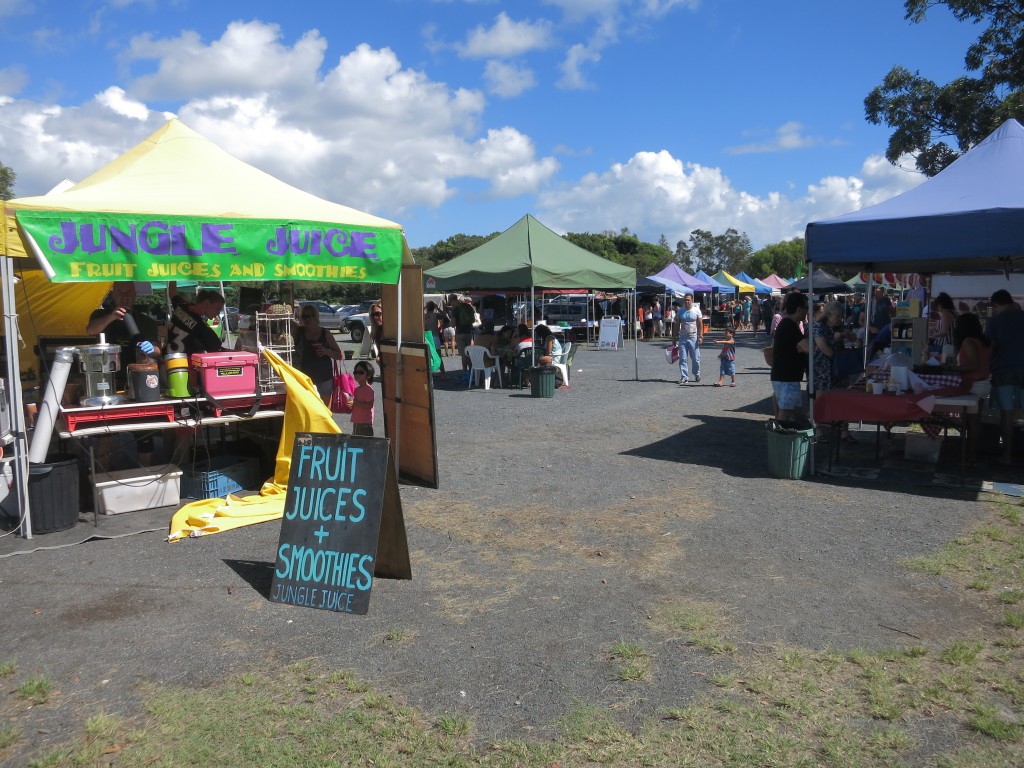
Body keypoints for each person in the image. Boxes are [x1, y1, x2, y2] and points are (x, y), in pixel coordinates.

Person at [85, 281, 162, 465]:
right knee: (106, 434)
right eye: (120, 293)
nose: (124, 296)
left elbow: (159, 351)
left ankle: (145, 476)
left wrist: (152, 349)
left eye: (128, 293)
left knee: (144, 434)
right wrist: (111, 317)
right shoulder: (100, 315)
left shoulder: (145, 321)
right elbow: (90, 330)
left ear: (135, 294)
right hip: (108, 382)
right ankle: (102, 480)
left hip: (137, 382)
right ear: (113, 294)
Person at [984, 289, 1024, 466]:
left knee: (1006, 415)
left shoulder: (995, 321)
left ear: (996, 305)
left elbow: (990, 349)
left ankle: (1007, 456)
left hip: (1003, 372)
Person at [812, 301, 853, 441]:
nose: (840, 319)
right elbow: (822, 347)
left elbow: (854, 340)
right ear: (828, 315)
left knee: (842, 399)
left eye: (841, 316)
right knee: (821, 400)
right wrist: (836, 352)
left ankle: (844, 431)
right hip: (823, 368)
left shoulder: (840, 326)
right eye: (838, 316)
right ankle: (819, 431)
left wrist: (847, 336)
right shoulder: (818, 326)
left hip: (839, 368)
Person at [770, 291, 809, 422]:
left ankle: (801, 434)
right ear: (799, 309)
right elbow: (807, 348)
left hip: (787, 376)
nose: (806, 312)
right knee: (784, 414)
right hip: (786, 377)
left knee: (796, 413)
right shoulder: (789, 325)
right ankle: (779, 440)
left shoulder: (790, 325)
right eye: (806, 308)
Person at [293, 304, 342, 405]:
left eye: (311, 316)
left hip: (324, 378)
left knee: (324, 410)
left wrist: (326, 352)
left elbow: (339, 355)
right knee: (308, 408)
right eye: (305, 316)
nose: (308, 319)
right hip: (304, 379)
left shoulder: (325, 333)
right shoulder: (299, 332)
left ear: (316, 317)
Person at [165, 289, 225, 355]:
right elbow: (216, 345)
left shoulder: (181, 306)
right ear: (207, 303)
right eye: (218, 308)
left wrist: (174, 278)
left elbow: (172, 293)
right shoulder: (201, 326)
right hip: (181, 362)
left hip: (166, 357)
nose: (218, 313)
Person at [672, 294, 703, 385]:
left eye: (688, 300)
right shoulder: (681, 311)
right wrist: (674, 337)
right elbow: (677, 325)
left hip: (693, 337)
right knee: (683, 358)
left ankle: (697, 374)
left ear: (692, 300)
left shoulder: (696, 310)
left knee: (695, 358)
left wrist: (700, 336)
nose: (686, 302)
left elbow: (700, 324)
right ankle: (684, 377)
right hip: (683, 338)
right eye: (685, 300)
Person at [349, 360, 376, 437]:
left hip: (365, 424)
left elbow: (369, 405)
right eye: (355, 372)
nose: (357, 374)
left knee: (363, 445)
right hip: (357, 422)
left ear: (368, 375)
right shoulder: (357, 389)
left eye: (361, 372)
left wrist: (354, 403)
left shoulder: (369, 389)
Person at [453, 296, 477, 371]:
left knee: (463, 355)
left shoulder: (456, 309)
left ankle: (465, 372)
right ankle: (471, 370)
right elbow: (473, 321)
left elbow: (453, 323)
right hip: (468, 332)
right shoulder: (470, 308)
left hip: (459, 333)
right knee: (468, 353)